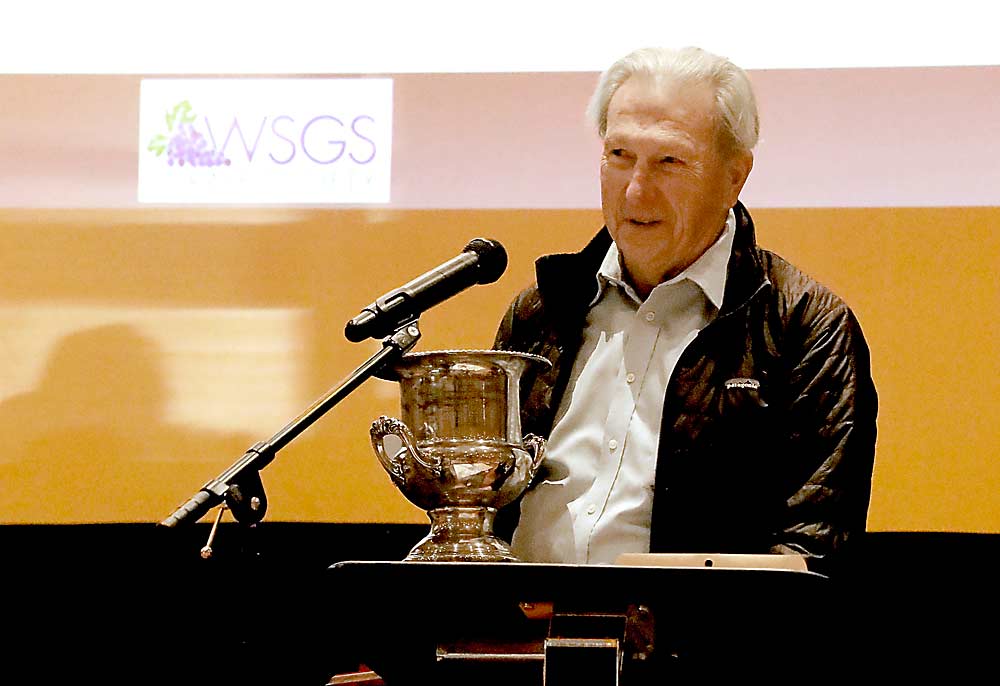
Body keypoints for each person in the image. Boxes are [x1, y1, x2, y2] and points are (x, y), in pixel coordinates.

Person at [493, 46, 878, 575]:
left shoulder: (803, 324)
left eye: (669, 161)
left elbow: (814, 546)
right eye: (618, 155)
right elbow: (484, 508)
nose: (635, 189)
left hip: (697, 650)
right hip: (517, 643)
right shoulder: (543, 309)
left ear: (735, 176)